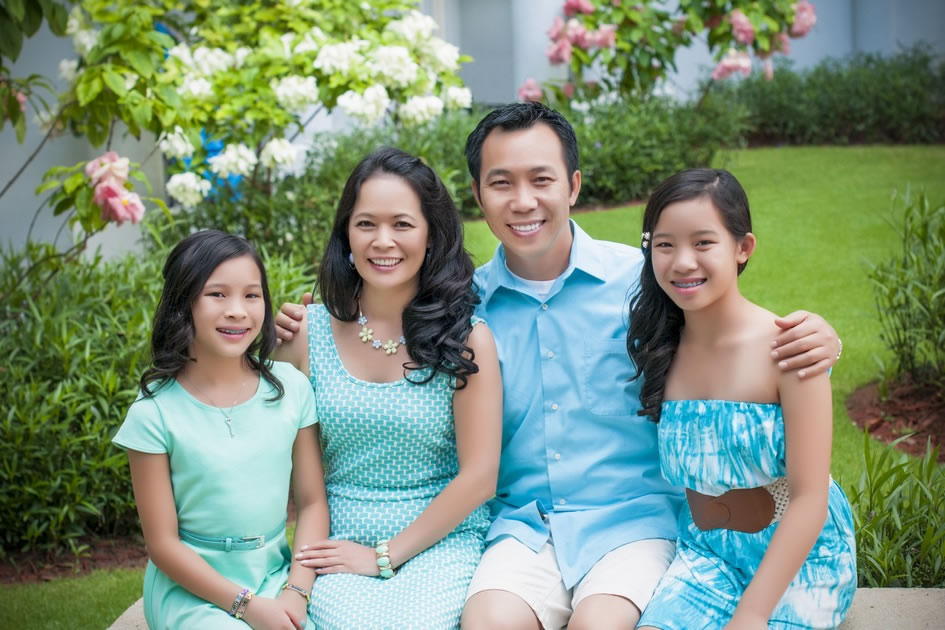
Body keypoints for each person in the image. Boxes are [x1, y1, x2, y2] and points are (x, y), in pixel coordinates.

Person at [276, 103, 841, 630]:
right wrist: (297, 330)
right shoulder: (457, 308)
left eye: (541, 180)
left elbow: (726, 319)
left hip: (633, 524)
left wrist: (821, 336)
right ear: (477, 194)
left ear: (572, 185)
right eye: (502, 183)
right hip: (522, 529)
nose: (523, 201)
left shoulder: (641, 284)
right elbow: (379, 323)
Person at [273, 147, 503, 629]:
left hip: (440, 540)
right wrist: (303, 580)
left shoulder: (467, 338)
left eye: (402, 224)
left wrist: (384, 556)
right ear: (346, 236)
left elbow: (479, 478)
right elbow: (303, 482)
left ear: (430, 234)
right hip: (337, 541)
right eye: (365, 224)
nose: (383, 242)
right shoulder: (306, 335)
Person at [629, 169, 856, 630]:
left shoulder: (789, 350)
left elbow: (810, 498)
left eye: (704, 243)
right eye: (665, 245)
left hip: (800, 564)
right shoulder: (659, 346)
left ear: (743, 247)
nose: (682, 262)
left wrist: (752, 615)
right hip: (707, 557)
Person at [113, 230, 330, 629]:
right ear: (183, 304)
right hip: (193, 590)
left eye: (251, 295)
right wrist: (247, 607)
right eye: (217, 295)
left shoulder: (292, 388)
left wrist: (296, 592)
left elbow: (313, 502)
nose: (237, 311)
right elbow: (162, 544)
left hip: (275, 575)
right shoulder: (154, 414)